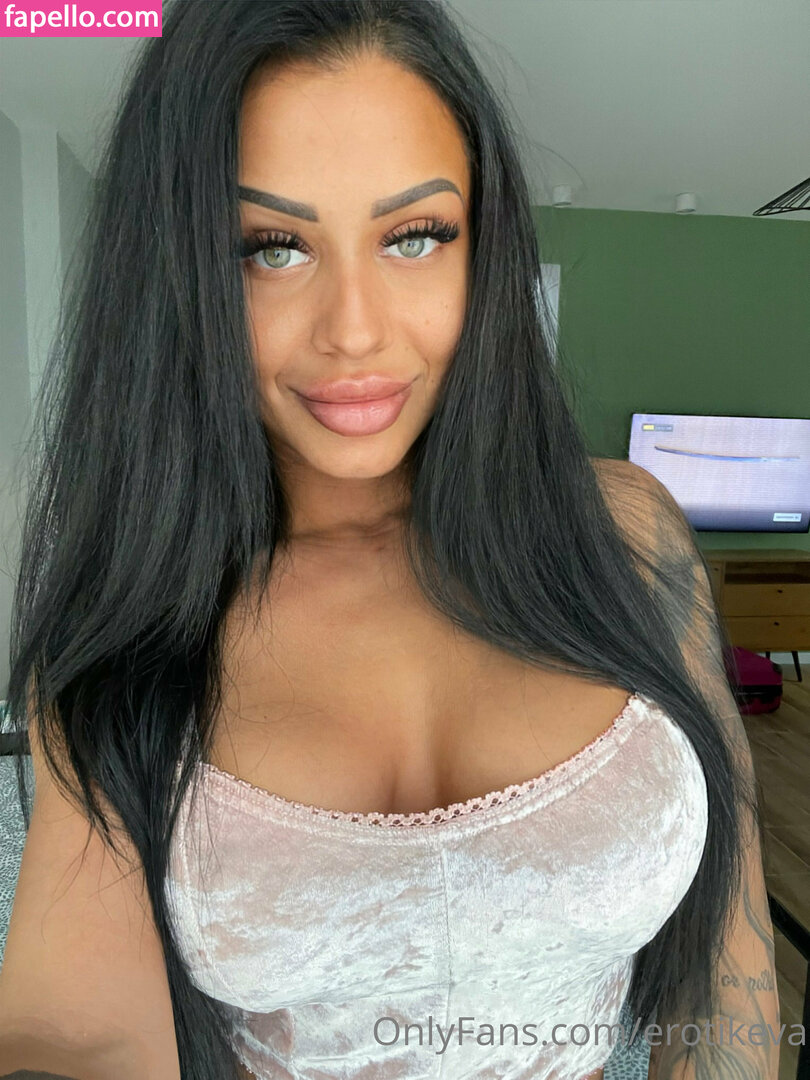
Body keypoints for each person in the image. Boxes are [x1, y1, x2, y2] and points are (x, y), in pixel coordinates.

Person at [0, 2, 779, 1079]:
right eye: (272, 248)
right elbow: (75, 1034)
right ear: (177, 273)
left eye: (415, 236)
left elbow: (732, 960)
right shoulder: (131, 623)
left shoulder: (631, 537)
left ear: (483, 248)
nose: (356, 331)